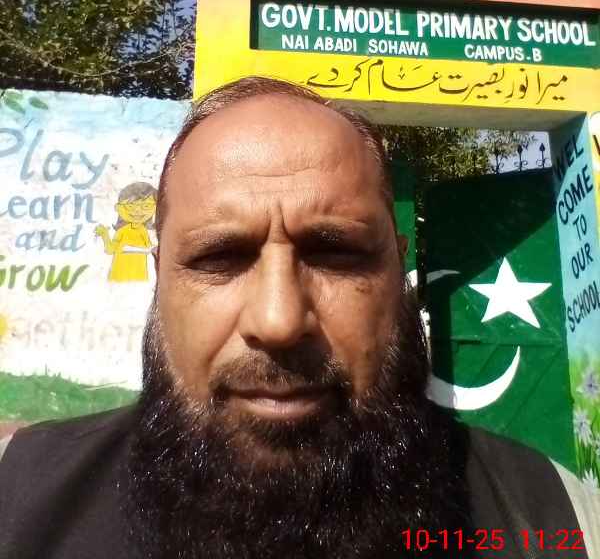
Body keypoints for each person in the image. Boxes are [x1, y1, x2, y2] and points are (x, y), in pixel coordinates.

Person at [0, 76, 598, 559]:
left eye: (335, 253)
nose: (279, 320)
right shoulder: (18, 498)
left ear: (399, 270)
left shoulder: (558, 522)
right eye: (220, 257)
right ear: (161, 280)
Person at [94, 181, 157, 282]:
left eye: (146, 206)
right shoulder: (122, 231)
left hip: (139, 276)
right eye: (130, 206)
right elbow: (110, 250)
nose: (137, 211)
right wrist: (104, 234)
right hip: (119, 276)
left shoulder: (143, 231)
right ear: (118, 208)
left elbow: (149, 248)